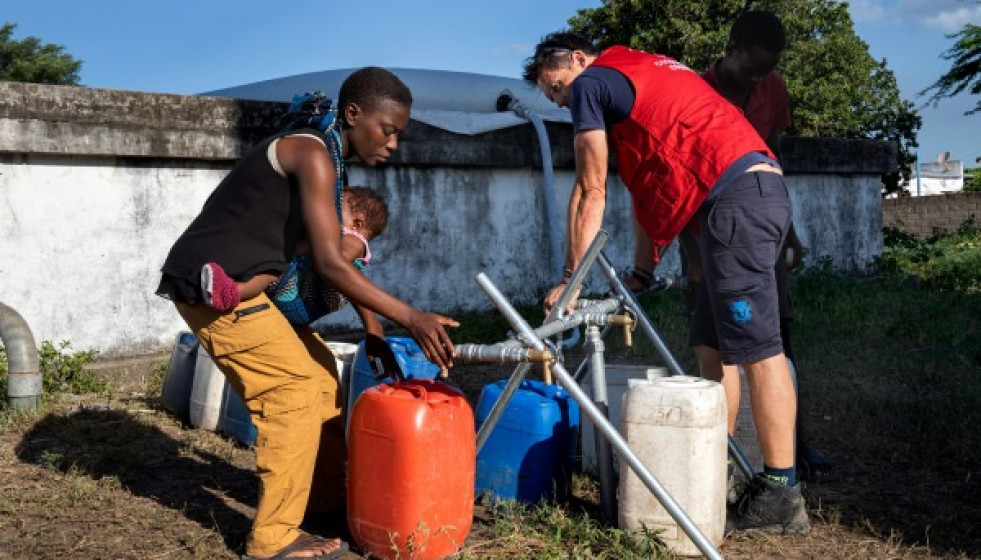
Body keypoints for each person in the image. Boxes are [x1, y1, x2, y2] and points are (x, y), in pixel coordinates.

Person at [156, 67, 458, 560]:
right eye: (388, 129)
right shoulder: (313, 152)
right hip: (212, 286)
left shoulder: (330, 158)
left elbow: (338, 255)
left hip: (249, 291)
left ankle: (320, 506)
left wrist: (374, 328)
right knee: (291, 393)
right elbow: (330, 263)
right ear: (355, 114)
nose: (394, 143)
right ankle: (273, 538)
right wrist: (411, 316)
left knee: (320, 380)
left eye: (399, 133)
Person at [524, 33, 809, 534]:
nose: (562, 100)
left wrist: (571, 280)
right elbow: (644, 190)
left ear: (576, 61)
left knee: (759, 349)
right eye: (552, 97)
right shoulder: (637, 77)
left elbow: (590, 189)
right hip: (740, 197)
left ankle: (781, 493)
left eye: (557, 87)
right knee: (710, 346)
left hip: (737, 198)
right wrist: (642, 270)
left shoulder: (593, 82)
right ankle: (713, 469)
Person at [201, 185, 389, 328]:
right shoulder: (345, 235)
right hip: (299, 301)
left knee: (273, 268)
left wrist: (304, 242)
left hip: (301, 301)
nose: (328, 211)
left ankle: (232, 292)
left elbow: (338, 258)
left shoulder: (355, 241)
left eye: (336, 208)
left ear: (357, 223)